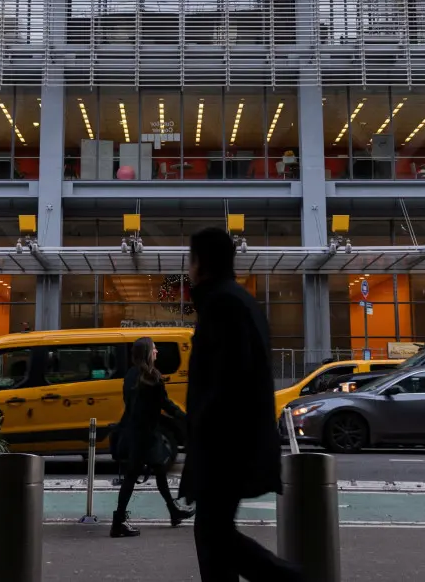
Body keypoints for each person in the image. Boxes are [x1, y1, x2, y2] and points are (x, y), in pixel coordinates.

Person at [180, 227, 303, 582]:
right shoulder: (237, 301)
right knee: (213, 535)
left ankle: (291, 578)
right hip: (235, 445)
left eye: (191, 260)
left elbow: (224, 384)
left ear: (202, 263)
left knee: (213, 535)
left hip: (225, 447)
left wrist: (200, 443)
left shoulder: (223, 304)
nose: (188, 270)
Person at [111, 336, 191, 537]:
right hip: (145, 434)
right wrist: (187, 418)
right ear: (147, 353)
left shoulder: (130, 375)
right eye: (154, 349)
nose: (157, 352)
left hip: (133, 431)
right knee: (133, 477)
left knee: (158, 471)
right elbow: (166, 405)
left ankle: (174, 512)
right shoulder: (153, 377)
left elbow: (130, 404)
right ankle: (117, 523)